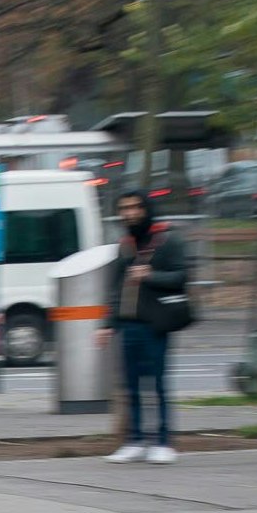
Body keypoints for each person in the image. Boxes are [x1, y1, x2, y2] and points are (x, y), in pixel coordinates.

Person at [97, 191, 190, 465]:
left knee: (158, 384)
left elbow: (181, 276)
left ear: (146, 209)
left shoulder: (168, 240)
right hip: (129, 324)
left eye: (135, 207)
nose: (129, 213)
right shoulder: (125, 245)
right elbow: (115, 288)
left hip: (156, 324)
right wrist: (107, 325)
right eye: (124, 208)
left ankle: (163, 442)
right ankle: (135, 441)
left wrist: (151, 275)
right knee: (131, 386)